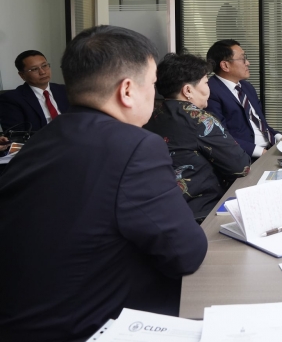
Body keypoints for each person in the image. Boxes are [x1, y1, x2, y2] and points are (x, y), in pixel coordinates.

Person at [0, 26, 207, 342]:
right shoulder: (136, 146)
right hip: (88, 327)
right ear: (127, 90)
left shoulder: (42, 140)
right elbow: (186, 254)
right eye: (152, 84)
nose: (154, 94)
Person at [144, 53, 251, 220]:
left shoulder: (148, 115)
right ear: (188, 90)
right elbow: (241, 166)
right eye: (206, 83)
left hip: (157, 211)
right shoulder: (198, 119)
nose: (209, 89)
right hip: (201, 213)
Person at [206, 39, 282, 159]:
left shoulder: (246, 87)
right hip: (246, 157)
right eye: (243, 59)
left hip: (269, 149)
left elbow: (260, 124)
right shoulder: (211, 91)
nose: (248, 63)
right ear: (225, 65)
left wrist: (280, 138)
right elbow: (220, 136)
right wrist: (263, 153)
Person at [0, 50, 69, 133]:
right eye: (34, 69)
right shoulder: (11, 100)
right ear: (22, 75)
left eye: (44, 66)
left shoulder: (64, 90)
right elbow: (16, 135)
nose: (42, 72)